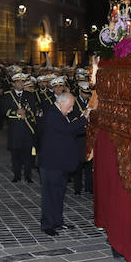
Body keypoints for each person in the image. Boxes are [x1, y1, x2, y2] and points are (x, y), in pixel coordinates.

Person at [38, 93, 88, 236]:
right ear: (61, 103)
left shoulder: (59, 114)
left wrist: (85, 125)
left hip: (60, 163)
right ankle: (47, 224)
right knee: (50, 195)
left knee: (59, 194)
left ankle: (58, 222)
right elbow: (66, 129)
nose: (71, 109)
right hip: (51, 163)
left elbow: (69, 131)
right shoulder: (52, 113)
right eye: (70, 106)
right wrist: (83, 118)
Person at [1, 73, 37, 183]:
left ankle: (28, 176)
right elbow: (4, 111)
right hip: (15, 130)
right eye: (18, 82)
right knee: (15, 154)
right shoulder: (8, 95)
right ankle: (16, 175)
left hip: (27, 129)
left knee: (28, 154)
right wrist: (16, 112)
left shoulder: (29, 95)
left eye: (22, 82)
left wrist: (26, 112)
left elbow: (33, 111)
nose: (20, 84)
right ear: (13, 84)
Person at [70, 82, 94, 195]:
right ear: (80, 91)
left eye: (88, 93)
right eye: (84, 93)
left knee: (89, 162)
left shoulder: (92, 101)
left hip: (89, 135)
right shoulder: (74, 103)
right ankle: (77, 188)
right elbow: (71, 119)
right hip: (79, 136)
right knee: (78, 163)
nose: (86, 95)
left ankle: (89, 187)